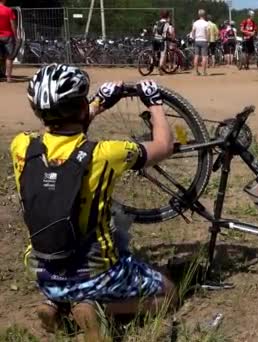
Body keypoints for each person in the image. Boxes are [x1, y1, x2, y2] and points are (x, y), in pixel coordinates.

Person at [11, 64, 177, 341]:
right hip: (96, 272)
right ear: (79, 107)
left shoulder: (21, 147)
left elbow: (62, 130)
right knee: (169, 293)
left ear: (37, 110)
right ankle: (99, 308)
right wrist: (154, 103)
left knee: (73, 267)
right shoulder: (106, 154)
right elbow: (164, 145)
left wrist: (99, 103)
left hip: (44, 270)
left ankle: (56, 305)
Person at [0, 0, 18, 82]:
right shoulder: (8, 10)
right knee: (9, 57)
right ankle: (8, 77)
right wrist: (16, 36)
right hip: (8, 36)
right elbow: (12, 24)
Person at [152, 10, 175, 75]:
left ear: (161, 15)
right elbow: (170, 32)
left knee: (155, 52)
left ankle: (152, 63)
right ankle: (160, 68)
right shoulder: (167, 23)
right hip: (162, 40)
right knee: (163, 55)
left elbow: (153, 30)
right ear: (167, 16)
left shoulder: (157, 22)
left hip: (155, 39)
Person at [191, 9, 210, 76]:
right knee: (204, 57)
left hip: (197, 40)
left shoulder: (195, 23)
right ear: (204, 15)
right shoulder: (206, 23)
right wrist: (208, 40)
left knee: (196, 56)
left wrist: (193, 38)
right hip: (204, 40)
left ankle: (196, 71)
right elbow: (207, 33)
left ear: (198, 15)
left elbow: (193, 32)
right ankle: (204, 72)